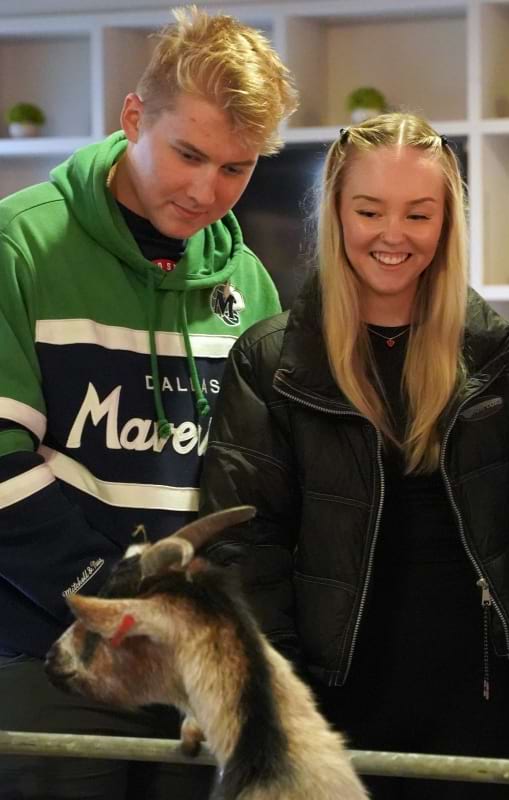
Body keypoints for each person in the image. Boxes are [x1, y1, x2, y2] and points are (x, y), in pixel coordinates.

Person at [199, 112, 509, 800]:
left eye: (418, 213)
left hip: (478, 704)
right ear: (336, 214)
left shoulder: (494, 354)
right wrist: (280, 719)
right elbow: (243, 553)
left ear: (446, 223)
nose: (393, 235)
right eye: (370, 210)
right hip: (326, 709)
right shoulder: (271, 361)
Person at [0, 7, 297, 797]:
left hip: (191, 670)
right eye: (188, 153)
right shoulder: (20, 247)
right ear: (134, 118)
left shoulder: (251, 284)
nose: (207, 190)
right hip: (45, 657)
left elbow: (250, 481)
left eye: (236, 168)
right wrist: (115, 593)